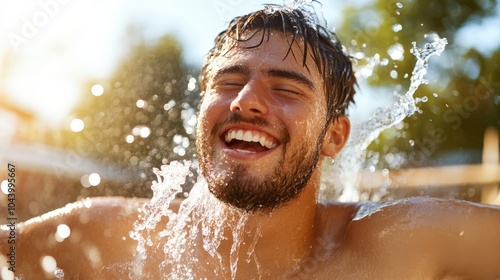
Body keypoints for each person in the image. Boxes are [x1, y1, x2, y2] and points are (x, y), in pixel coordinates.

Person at [2, 4, 500, 279]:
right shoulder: (109, 238)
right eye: (227, 82)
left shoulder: (402, 244)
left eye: (285, 89)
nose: (246, 101)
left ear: (334, 137)